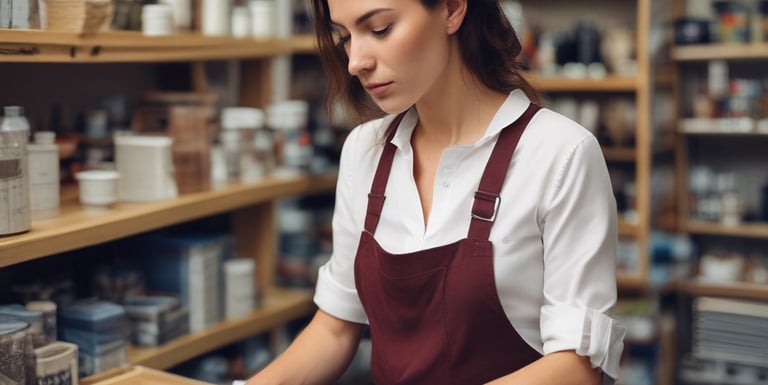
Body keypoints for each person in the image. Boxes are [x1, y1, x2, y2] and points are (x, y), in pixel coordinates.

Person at [247, 0, 626, 384]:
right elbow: (335, 326)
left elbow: (576, 366)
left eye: (380, 29)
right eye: (344, 37)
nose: (355, 62)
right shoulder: (366, 150)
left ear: (452, 9)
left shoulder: (560, 154)